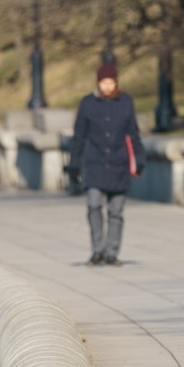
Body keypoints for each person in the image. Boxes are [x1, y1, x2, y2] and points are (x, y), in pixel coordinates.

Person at [66, 62, 146, 266]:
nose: (108, 86)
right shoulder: (87, 103)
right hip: (95, 163)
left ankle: (112, 251)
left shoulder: (126, 102)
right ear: (98, 83)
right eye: (104, 82)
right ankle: (97, 249)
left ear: (116, 82)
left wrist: (139, 157)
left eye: (111, 82)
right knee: (93, 206)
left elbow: (133, 134)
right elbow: (79, 136)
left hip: (119, 163)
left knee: (116, 211)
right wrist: (74, 163)